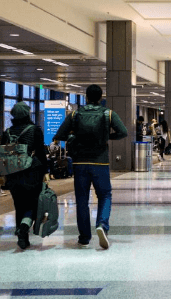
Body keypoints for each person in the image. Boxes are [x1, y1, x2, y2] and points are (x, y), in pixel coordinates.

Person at [54, 84, 127, 249]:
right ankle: (102, 225)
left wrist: (75, 136)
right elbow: (123, 132)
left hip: (80, 163)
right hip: (100, 162)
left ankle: (84, 238)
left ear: (86, 97)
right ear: (101, 98)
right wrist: (106, 137)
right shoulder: (108, 114)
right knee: (105, 195)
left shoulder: (75, 114)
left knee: (81, 200)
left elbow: (60, 135)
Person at [0, 102, 48, 250]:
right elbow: (41, 152)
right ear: (28, 114)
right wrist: (45, 172)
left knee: (19, 204)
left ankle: (23, 237)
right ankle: (24, 227)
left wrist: (3, 175)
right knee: (33, 204)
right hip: (32, 172)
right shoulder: (34, 130)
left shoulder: (7, 132)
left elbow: (2, 155)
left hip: (13, 174)